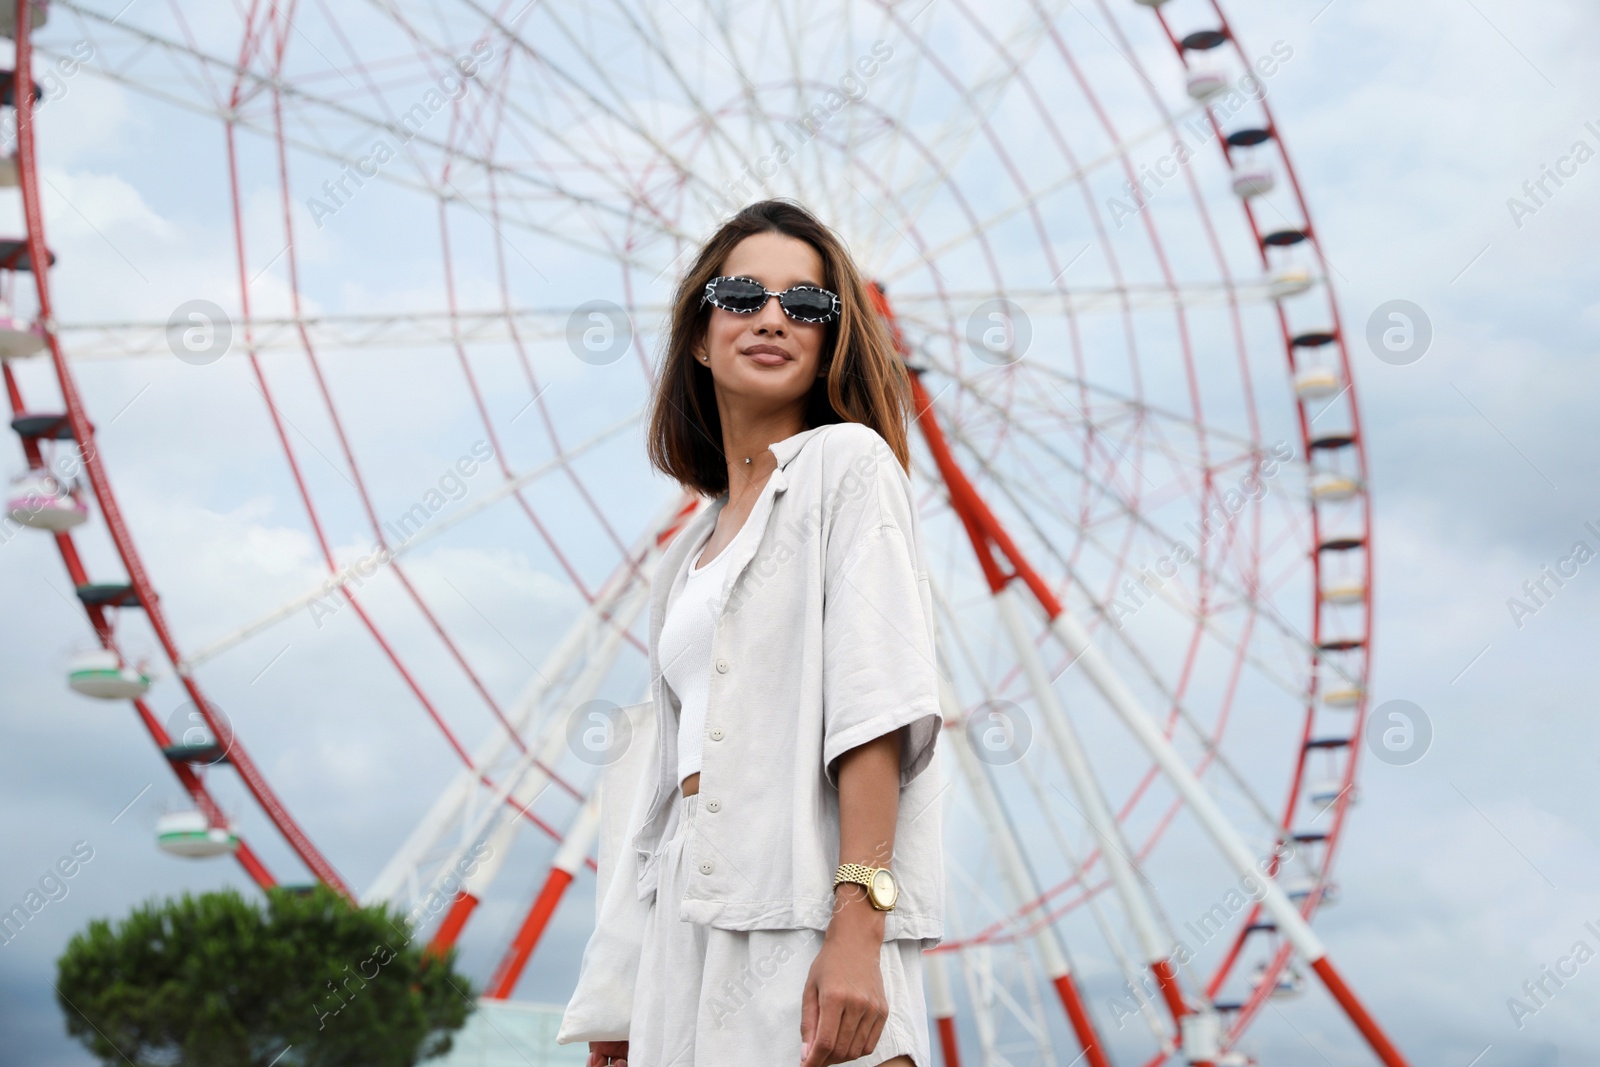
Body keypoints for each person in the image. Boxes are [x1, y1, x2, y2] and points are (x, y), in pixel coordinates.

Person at [557, 198, 945, 1067]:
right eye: (742, 296)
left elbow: (878, 706)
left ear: (831, 341)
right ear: (699, 333)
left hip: (800, 901)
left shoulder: (848, 465)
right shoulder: (689, 552)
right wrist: (620, 998)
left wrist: (857, 929)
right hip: (683, 923)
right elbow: (654, 793)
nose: (773, 318)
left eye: (807, 306)